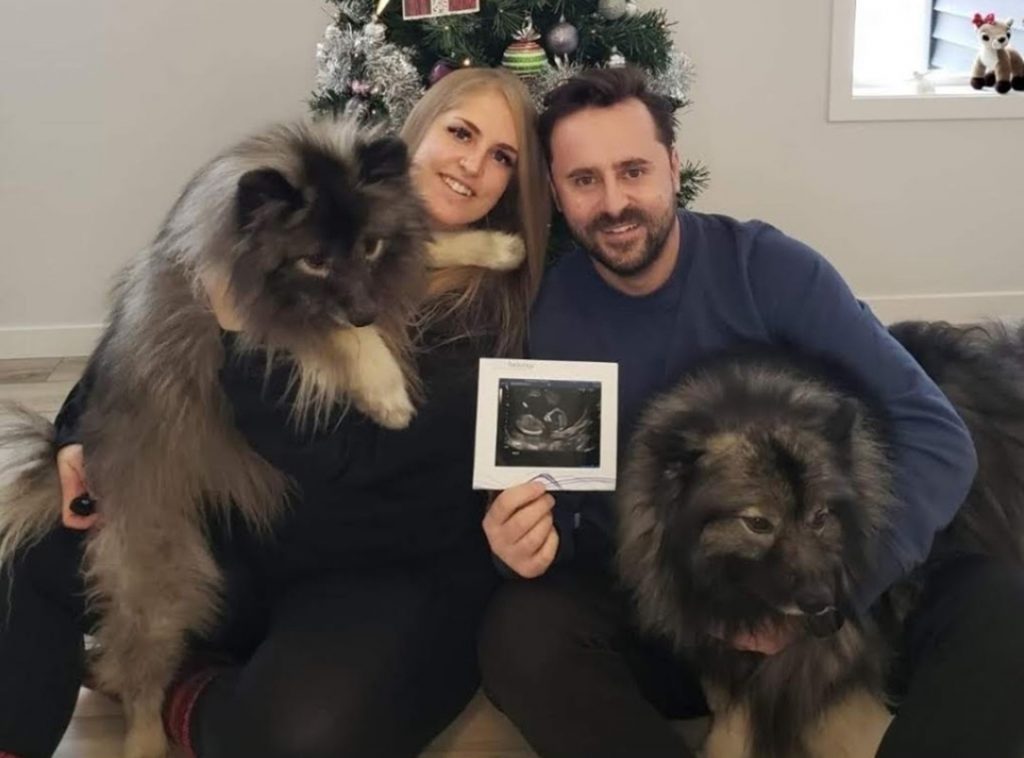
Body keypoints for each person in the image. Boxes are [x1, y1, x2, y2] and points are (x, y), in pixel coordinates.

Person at [0, 66, 550, 758]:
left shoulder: (490, 319)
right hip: (248, 534)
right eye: (461, 132)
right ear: (417, 135)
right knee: (31, 546)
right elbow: (145, 333)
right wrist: (75, 435)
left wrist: (237, 340)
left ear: (516, 183)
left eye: (503, 157)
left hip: (368, 565)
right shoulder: (303, 208)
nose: (474, 164)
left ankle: (179, 691)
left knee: (295, 739)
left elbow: (353, 468)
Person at [477, 66, 1024, 758]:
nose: (615, 202)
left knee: (1005, 608)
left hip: (831, 585)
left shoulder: (769, 269)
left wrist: (831, 597)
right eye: (585, 180)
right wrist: (516, 542)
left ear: (674, 167)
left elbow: (937, 436)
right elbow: (569, 510)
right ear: (555, 191)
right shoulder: (551, 315)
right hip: (677, 605)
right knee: (520, 632)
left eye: (634, 170)